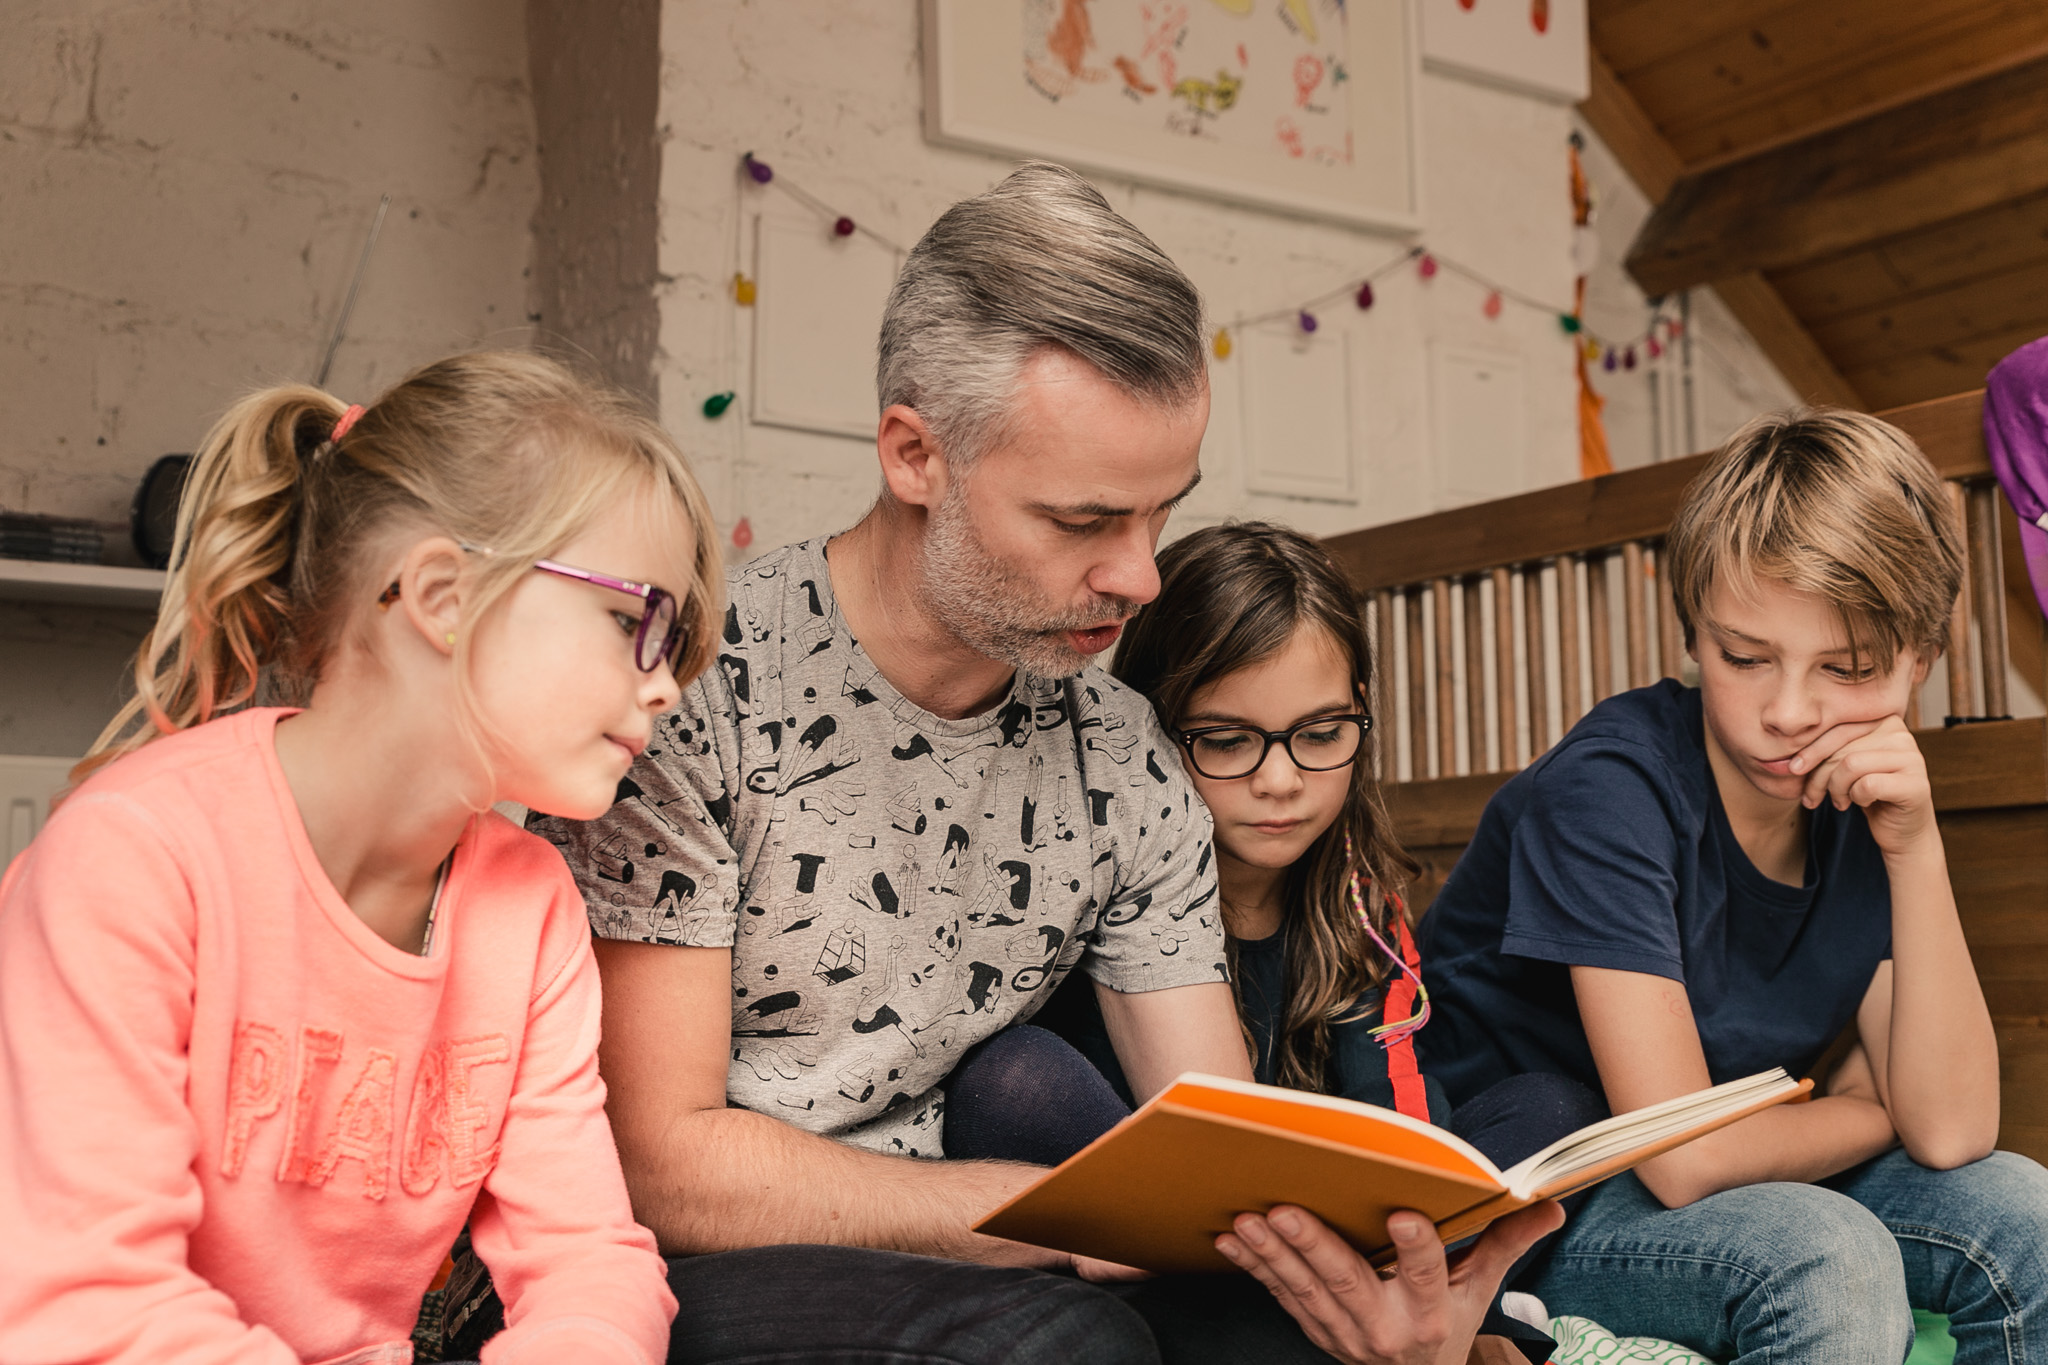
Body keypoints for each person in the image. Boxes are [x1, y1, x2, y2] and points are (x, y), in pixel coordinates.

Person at [522, 163, 1559, 1365]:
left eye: (1159, 514)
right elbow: (666, 1163)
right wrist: (1040, 1223)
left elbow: (1216, 1144)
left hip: (996, 1251)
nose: (1140, 579)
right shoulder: (695, 691)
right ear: (915, 456)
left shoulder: (1122, 763)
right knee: (1073, 1344)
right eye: (1082, 522)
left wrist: (1370, 1313)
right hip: (706, 1268)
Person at [0, 352, 710, 1364]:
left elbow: (588, 1258)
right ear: (440, 594)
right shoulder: (134, 855)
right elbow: (89, 1303)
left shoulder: (530, 903)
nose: (666, 687)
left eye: (673, 641)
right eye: (631, 620)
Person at [1417, 409, 2048, 1364]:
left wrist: (1915, 846)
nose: (1787, 714)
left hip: (1713, 1180)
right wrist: (1870, 1108)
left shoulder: (1864, 801)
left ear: (1919, 660)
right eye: (1743, 657)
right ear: (1695, 633)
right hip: (1528, 1206)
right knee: (1827, 1253)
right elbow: (1682, 1159)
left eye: (1847, 669)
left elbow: (1955, 1128)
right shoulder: (1610, 791)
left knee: (2029, 1216)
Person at [946, 522, 1597, 1363]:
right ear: (1149, 723)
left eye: (1322, 734)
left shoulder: (1359, 897)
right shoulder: (1101, 867)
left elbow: (1393, 1117)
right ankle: (1326, 1331)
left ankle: (1405, 1321)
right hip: (1158, 1222)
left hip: (1327, 1219)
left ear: (1360, 705)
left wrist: (1445, 1294)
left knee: (1552, 1110)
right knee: (1013, 1079)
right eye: (1226, 740)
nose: (1281, 781)